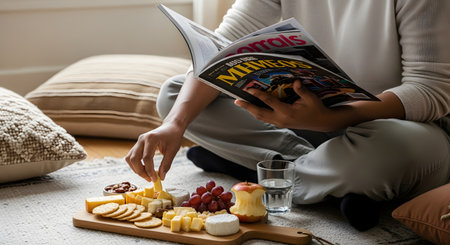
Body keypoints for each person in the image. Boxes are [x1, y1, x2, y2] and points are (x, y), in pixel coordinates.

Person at [126, 0, 450, 231]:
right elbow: (217, 54)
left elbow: (432, 90)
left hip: (391, 131)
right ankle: (330, 184)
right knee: (174, 95)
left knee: (408, 151)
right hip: (303, 123)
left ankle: (254, 170)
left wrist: (329, 119)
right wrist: (174, 125)